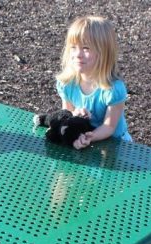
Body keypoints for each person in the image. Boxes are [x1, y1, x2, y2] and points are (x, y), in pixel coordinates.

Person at [55, 16, 131, 150]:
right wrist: (75, 114)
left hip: (115, 147)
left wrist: (90, 136)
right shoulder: (67, 84)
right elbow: (67, 112)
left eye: (85, 48)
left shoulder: (113, 89)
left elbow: (109, 127)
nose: (78, 54)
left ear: (103, 53)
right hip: (84, 140)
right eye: (73, 47)